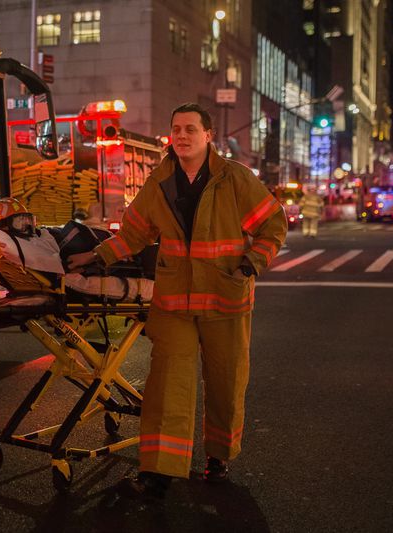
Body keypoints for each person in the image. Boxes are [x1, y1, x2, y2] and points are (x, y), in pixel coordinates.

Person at [68, 103, 287, 498]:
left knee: (225, 380)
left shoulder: (234, 178)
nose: (182, 136)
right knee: (167, 384)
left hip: (225, 298)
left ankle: (219, 455)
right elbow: (135, 232)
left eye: (190, 129)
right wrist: (97, 255)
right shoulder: (160, 180)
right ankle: (160, 469)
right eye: (176, 129)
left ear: (208, 136)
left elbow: (274, 224)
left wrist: (253, 263)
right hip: (174, 304)